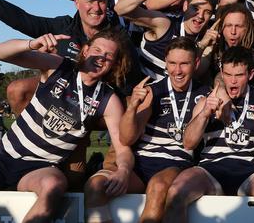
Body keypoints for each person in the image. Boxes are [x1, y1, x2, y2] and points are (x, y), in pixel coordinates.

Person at [0, 30, 133, 222]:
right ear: (86, 50)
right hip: (4, 157)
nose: (101, 58)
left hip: (40, 168)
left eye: (108, 56)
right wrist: (31, 43)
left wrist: (123, 170)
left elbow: (123, 149)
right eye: (97, 50)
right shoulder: (59, 66)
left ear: (114, 64)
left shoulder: (108, 99)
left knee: (54, 185)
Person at [85, 37, 207, 223]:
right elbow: (126, 138)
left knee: (157, 186)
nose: (178, 71)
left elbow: (192, 142)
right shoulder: (152, 91)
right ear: (165, 63)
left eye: (184, 64)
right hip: (141, 164)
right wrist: (133, 106)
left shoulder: (204, 93)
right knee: (95, 186)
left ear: (196, 63)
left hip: (175, 165)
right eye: (172, 63)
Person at [163, 46, 254, 223]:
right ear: (222, 73)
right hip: (211, 168)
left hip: (249, 170)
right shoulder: (206, 99)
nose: (233, 81)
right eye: (228, 75)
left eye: (239, 75)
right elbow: (188, 144)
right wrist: (205, 113)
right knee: (176, 192)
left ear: (251, 74)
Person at [114, 0, 215, 81]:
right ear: (185, 6)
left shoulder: (207, 38)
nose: (201, 16)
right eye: (195, 8)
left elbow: (194, 75)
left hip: (173, 92)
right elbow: (120, 10)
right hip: (140, 86)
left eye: (207, 12)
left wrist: (201, 46)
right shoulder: (166, 24)